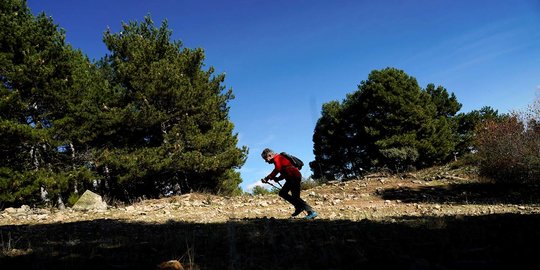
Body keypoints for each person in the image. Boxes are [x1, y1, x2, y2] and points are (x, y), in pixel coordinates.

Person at [260, 148, 318, 219]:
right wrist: (278, 178)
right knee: (289, 195)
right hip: (293, 177)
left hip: (293, 177)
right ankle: (299, 208)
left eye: (266, 158)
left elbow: (277, 169)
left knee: (288, 194)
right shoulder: (280, 158)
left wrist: (267, 178)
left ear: (270, 155)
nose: (266, 161)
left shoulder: (277, 158)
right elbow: (285, 170)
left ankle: (310, 212)